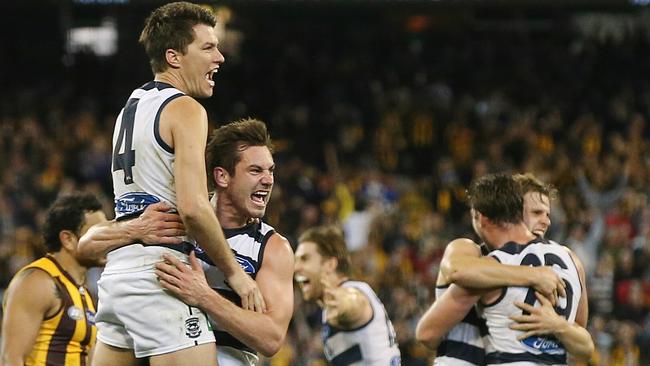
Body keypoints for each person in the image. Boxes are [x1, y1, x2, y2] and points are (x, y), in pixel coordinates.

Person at [95, 3, 264, 366]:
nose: (219, 57)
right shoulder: (186, 109)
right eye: (207, 48)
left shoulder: (131, 107)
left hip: (118, 274)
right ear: (173, 56)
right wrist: (236, 274)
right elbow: (192, 208)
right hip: (161, 273)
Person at [79, 119, 294, 366]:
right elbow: (85, 246)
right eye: (256, 171)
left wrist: (204, 296)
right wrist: (135, 228)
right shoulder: (177, 217)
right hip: (161, 351)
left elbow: (271, 339)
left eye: (271, 170)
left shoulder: (272, 247)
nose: (268, 180)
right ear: (222, 176)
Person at [417, 173, 593, 365]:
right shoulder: (570, 260)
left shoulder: (493, 264)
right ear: (516, 210)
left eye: (547, 214)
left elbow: (427, 333)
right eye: (536, 212)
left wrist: (560, 326)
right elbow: (457, 269)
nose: (546, 221)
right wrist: (533, 275)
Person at [1, 192, 107, 366]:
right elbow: (10, 358)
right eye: (98, 233)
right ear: (68, 239)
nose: (109, 241)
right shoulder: (38, 281)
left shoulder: (85, 293)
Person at [294, 225, 401, 365]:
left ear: (330, 265)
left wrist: (343, 303)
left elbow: (354, 302)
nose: (296, 267)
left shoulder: (351, 293)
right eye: (296, 260)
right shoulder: (331, 306)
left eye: (305, 259)